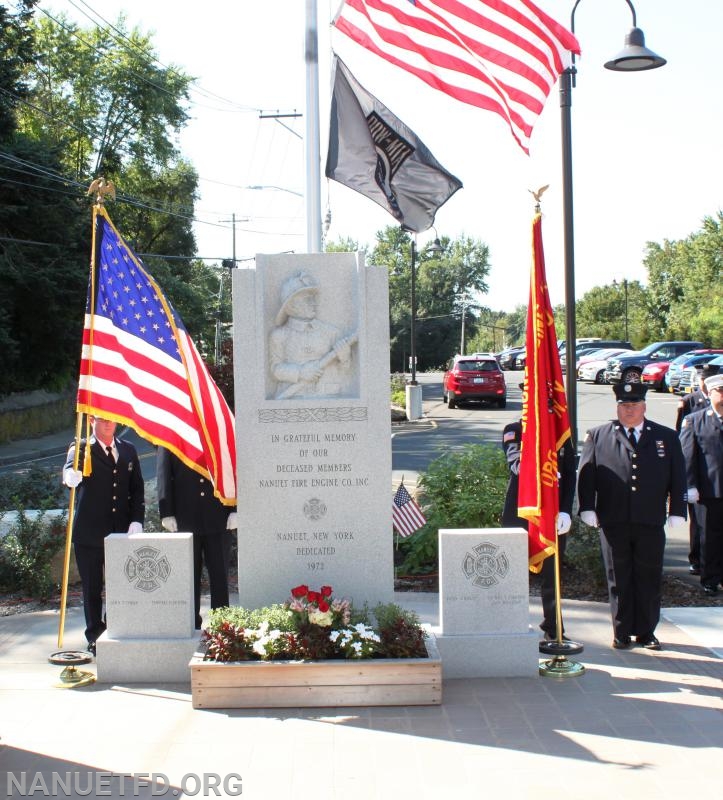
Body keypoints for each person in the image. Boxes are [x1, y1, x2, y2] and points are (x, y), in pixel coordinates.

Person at [577, 382, 687, 650]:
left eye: (634, 405)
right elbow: (587, 474)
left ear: (644, 407)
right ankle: (622, 630)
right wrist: (587, 507)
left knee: (648, 576)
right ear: (617, 407)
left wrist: (677, 511)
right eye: (624, 405)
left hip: (650, 520)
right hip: (613, 520)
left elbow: (678, 475)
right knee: (619, 576)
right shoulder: (599, 435)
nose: (629, 410)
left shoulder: (665, 437)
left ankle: (647, 632)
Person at [63, 416, 145, 655]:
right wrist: (69, 476)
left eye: (113, 421)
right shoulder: (82, 448)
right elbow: (70, 467)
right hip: (89, 532)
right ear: (91, 421)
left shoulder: (128, 449)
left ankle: (115, 628)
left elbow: (137, 489)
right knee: (92, 587)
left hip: (120, 533)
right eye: (103, 420)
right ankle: (95, 635)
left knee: (120, 585)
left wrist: (137, 519)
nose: (109, 425)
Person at [502, 412, 576, 642]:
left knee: (552, 574)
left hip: (552, 514)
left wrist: (565, 509)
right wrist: (543, 468)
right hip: (521, 513)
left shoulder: (560, 432)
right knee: (512, 574)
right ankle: (510, 623)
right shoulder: (514, 429)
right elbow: (516, 465)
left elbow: (571, 475)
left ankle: (554, 626)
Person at [156, 447, 238, 629]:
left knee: (219, 576)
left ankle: (222, 629)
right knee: (188, 578)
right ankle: (190, 625)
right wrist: (166, 512)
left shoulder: (218, 420)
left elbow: (234, 465)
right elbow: (163, 471)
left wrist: (235, 508)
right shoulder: (175, 423)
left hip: (218, 515)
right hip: (185, 517)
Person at [269, 270, 356, 400]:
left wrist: (345, 358)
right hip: (291, 397)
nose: (314, 303)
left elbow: (346, 372)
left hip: (328, 397)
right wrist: (300, 372)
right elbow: (275, 369)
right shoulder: (279, 335)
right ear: (291, 305)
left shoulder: (331, 332)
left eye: (314, 298)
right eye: (308, 299)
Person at [679, 374, 723, 596]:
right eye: (721, 391)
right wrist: (690, 485)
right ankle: (710, 578)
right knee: (709, 537)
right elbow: (687, 456)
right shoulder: (695, 420)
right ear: (711, 393)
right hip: (708, 490)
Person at [675, 368, 710, 574]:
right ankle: (696, 558)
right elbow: (681, 433)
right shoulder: (689, 400)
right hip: (696, 465)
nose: (704, 383)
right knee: (698, 522)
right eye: (702, 379)